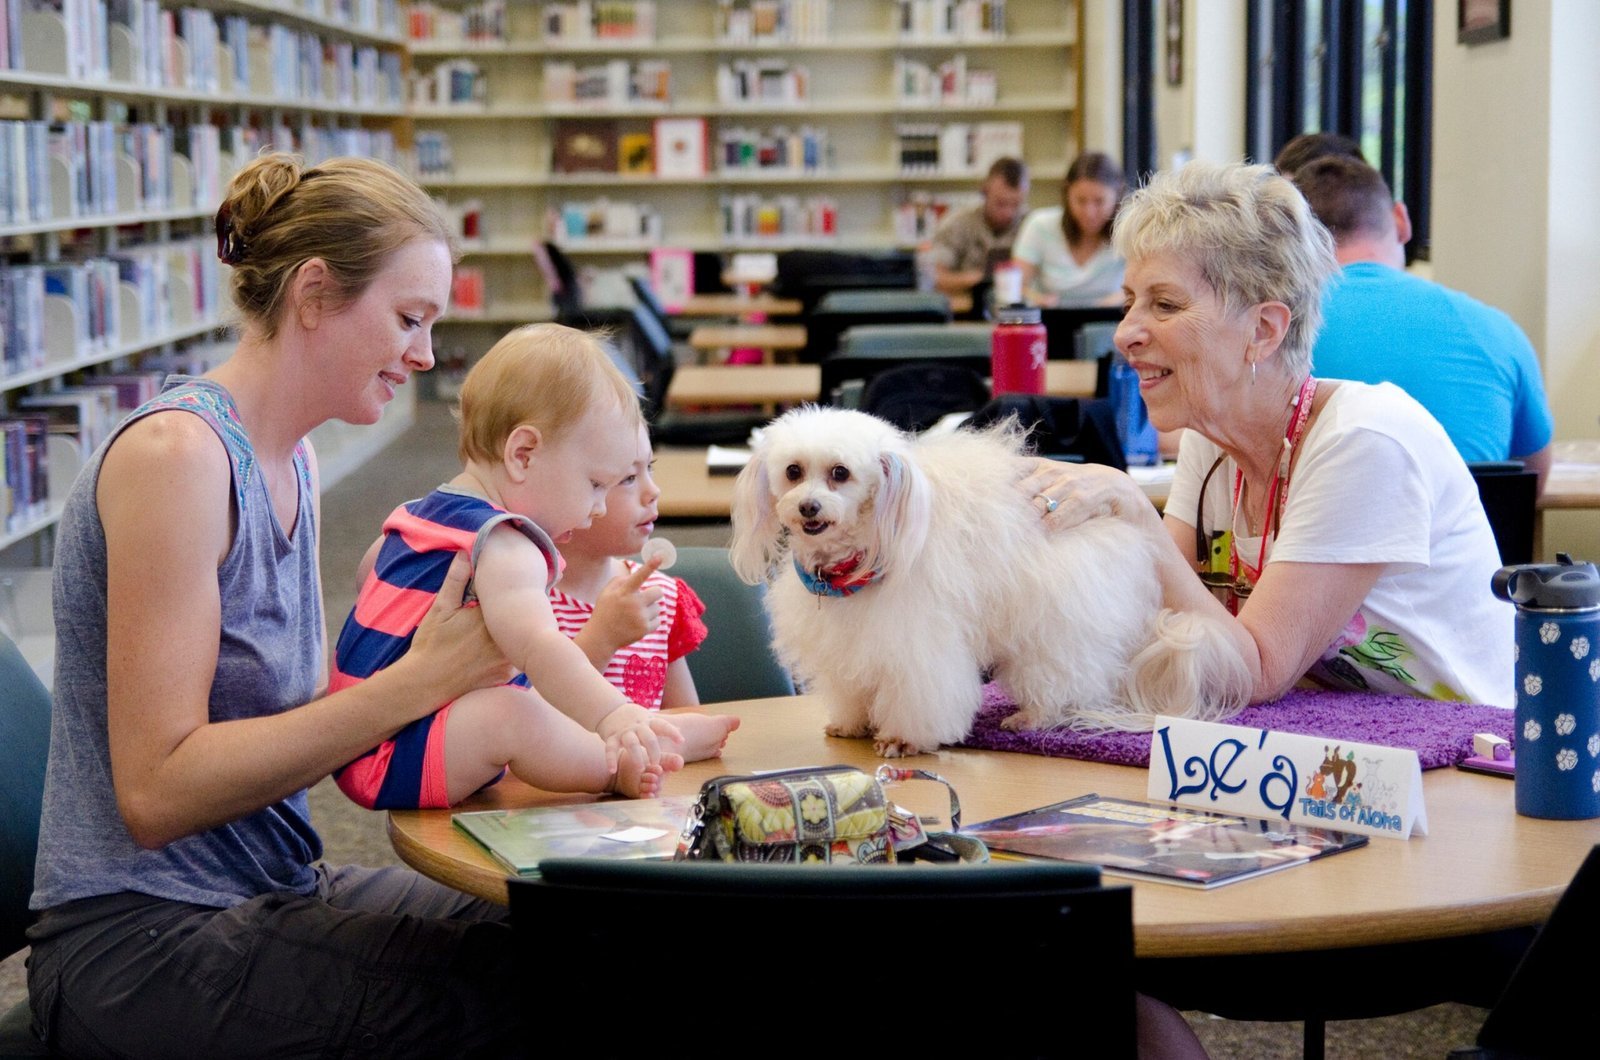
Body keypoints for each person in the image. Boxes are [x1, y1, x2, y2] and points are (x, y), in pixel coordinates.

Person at [27, 154, 534, 1056]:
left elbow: (305, 731)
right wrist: (414, 684)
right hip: (140, 941)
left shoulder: (288, 459)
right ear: (312, 294)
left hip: (272, 888)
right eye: (409, 318)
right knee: (520, 1002)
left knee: (574, 931)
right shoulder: (178, 462)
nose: (424, 354)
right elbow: (157, 790)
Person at [1025, 160, 1512, 709]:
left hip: (1467, 763)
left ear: (1263, 330)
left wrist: (1134, 515)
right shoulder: (1210, 436)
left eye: (1164, 304)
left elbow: (1252, 672)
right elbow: (1150, 623)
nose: (1125, 333)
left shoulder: (1364, 441)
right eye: (1129, 301)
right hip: (1334, 743)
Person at [331, 324, 740, 810]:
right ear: (523, 454)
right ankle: (616, 763)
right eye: (594, 484)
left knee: (522, 700)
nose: (599, 508)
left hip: (357, 737)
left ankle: (656, 733)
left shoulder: (418, 514)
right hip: (394, 755)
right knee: (516, 710)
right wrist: (612, 714)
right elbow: (542, 649)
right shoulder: (507, 543)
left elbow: (369, 577)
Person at [1291, 154, 1555, 493]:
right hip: (1468, 544)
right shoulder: (1498, 331)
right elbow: (1528, 488)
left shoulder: (1274, 336)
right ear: (1401, 220)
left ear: (1294, 239)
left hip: (1321, 541)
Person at [1012, 151, 1126, 307]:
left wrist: (1122, 299)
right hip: (1051, 323)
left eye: (1099, 201)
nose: (1089, 212)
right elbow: (1015, 286)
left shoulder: (1129, 231)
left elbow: (1144, 289)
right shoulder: (1039, 225)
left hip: (1109, 324)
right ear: (1067, 194)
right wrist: (1038, 299)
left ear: (1117, 195)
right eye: (1080, 201)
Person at [928, 156, 1029, 301]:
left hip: (1019, 310)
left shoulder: (1031, 225)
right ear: (985, 192)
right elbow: (934, 278)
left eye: (1016, 204)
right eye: (1001, 203)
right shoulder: (958, 223)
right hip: (966, 312)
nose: (1008, 212)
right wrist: (975, 279)